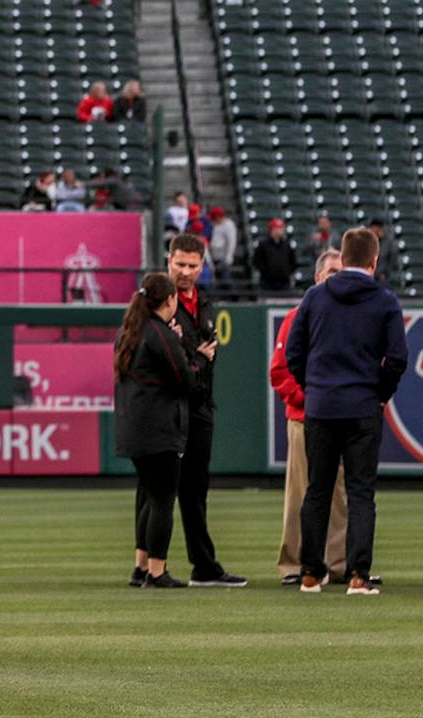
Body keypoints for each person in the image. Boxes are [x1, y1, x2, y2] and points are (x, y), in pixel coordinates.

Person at [286, 226, 407, 595]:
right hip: (362, 407)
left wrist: (315, 387)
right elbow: (398, 358)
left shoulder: (315, 297)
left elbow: (294, 353)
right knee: (360, 493)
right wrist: (378, 392)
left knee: (317, 491)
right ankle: (358, 575)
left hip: (321, 407)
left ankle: (310, 572)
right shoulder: (385, 301)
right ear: (373, 261)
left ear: (343, 255)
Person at [160, 233, 242, 586]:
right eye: (180, 264)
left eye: (192, 265)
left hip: (200, 407)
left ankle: (202, 565)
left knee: (195, 490)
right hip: (168, 408)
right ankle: (149, 567)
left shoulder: (205, 303)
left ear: (202, 266)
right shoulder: (156, 303)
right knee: (158, 490)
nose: (185, 272)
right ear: (168, 261)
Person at [271, 248, 350, 585]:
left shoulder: (352, 317)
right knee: (301, 493)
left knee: (341, 496)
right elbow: (280, 372)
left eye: (341, 271)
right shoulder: (296, 316)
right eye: (331, 271)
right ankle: (294, 564)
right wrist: (311, 399)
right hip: (305, 418)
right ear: (317, 277)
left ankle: (339, 565)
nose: (336, 277)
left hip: (342, 418)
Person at [116, 273, 194, 589]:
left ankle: (141, 566)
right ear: (170, 300)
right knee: (162, 499)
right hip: (158, 430)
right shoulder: (158, 332)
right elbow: (185, 379)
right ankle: (157, 571)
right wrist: (196, 355)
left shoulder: (129, 331)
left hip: (132, 428)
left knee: (148, 497)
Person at [253, 219, 297, 293]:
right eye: (276, 228)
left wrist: (287, 272)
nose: (279, 230)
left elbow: (293, 261)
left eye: (281, 228)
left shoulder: (287, 245)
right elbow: (256, 261)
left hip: (284, 282)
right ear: (271, 230)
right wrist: (266, 272)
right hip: (267, 282)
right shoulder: (263, 245)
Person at [207, 206, 240, 279]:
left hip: (223, 258)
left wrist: (228, 258)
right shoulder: (214, 225)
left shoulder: (228, 225)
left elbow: (231, 242)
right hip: (214, 257)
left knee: (225, 280)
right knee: (218, 280)